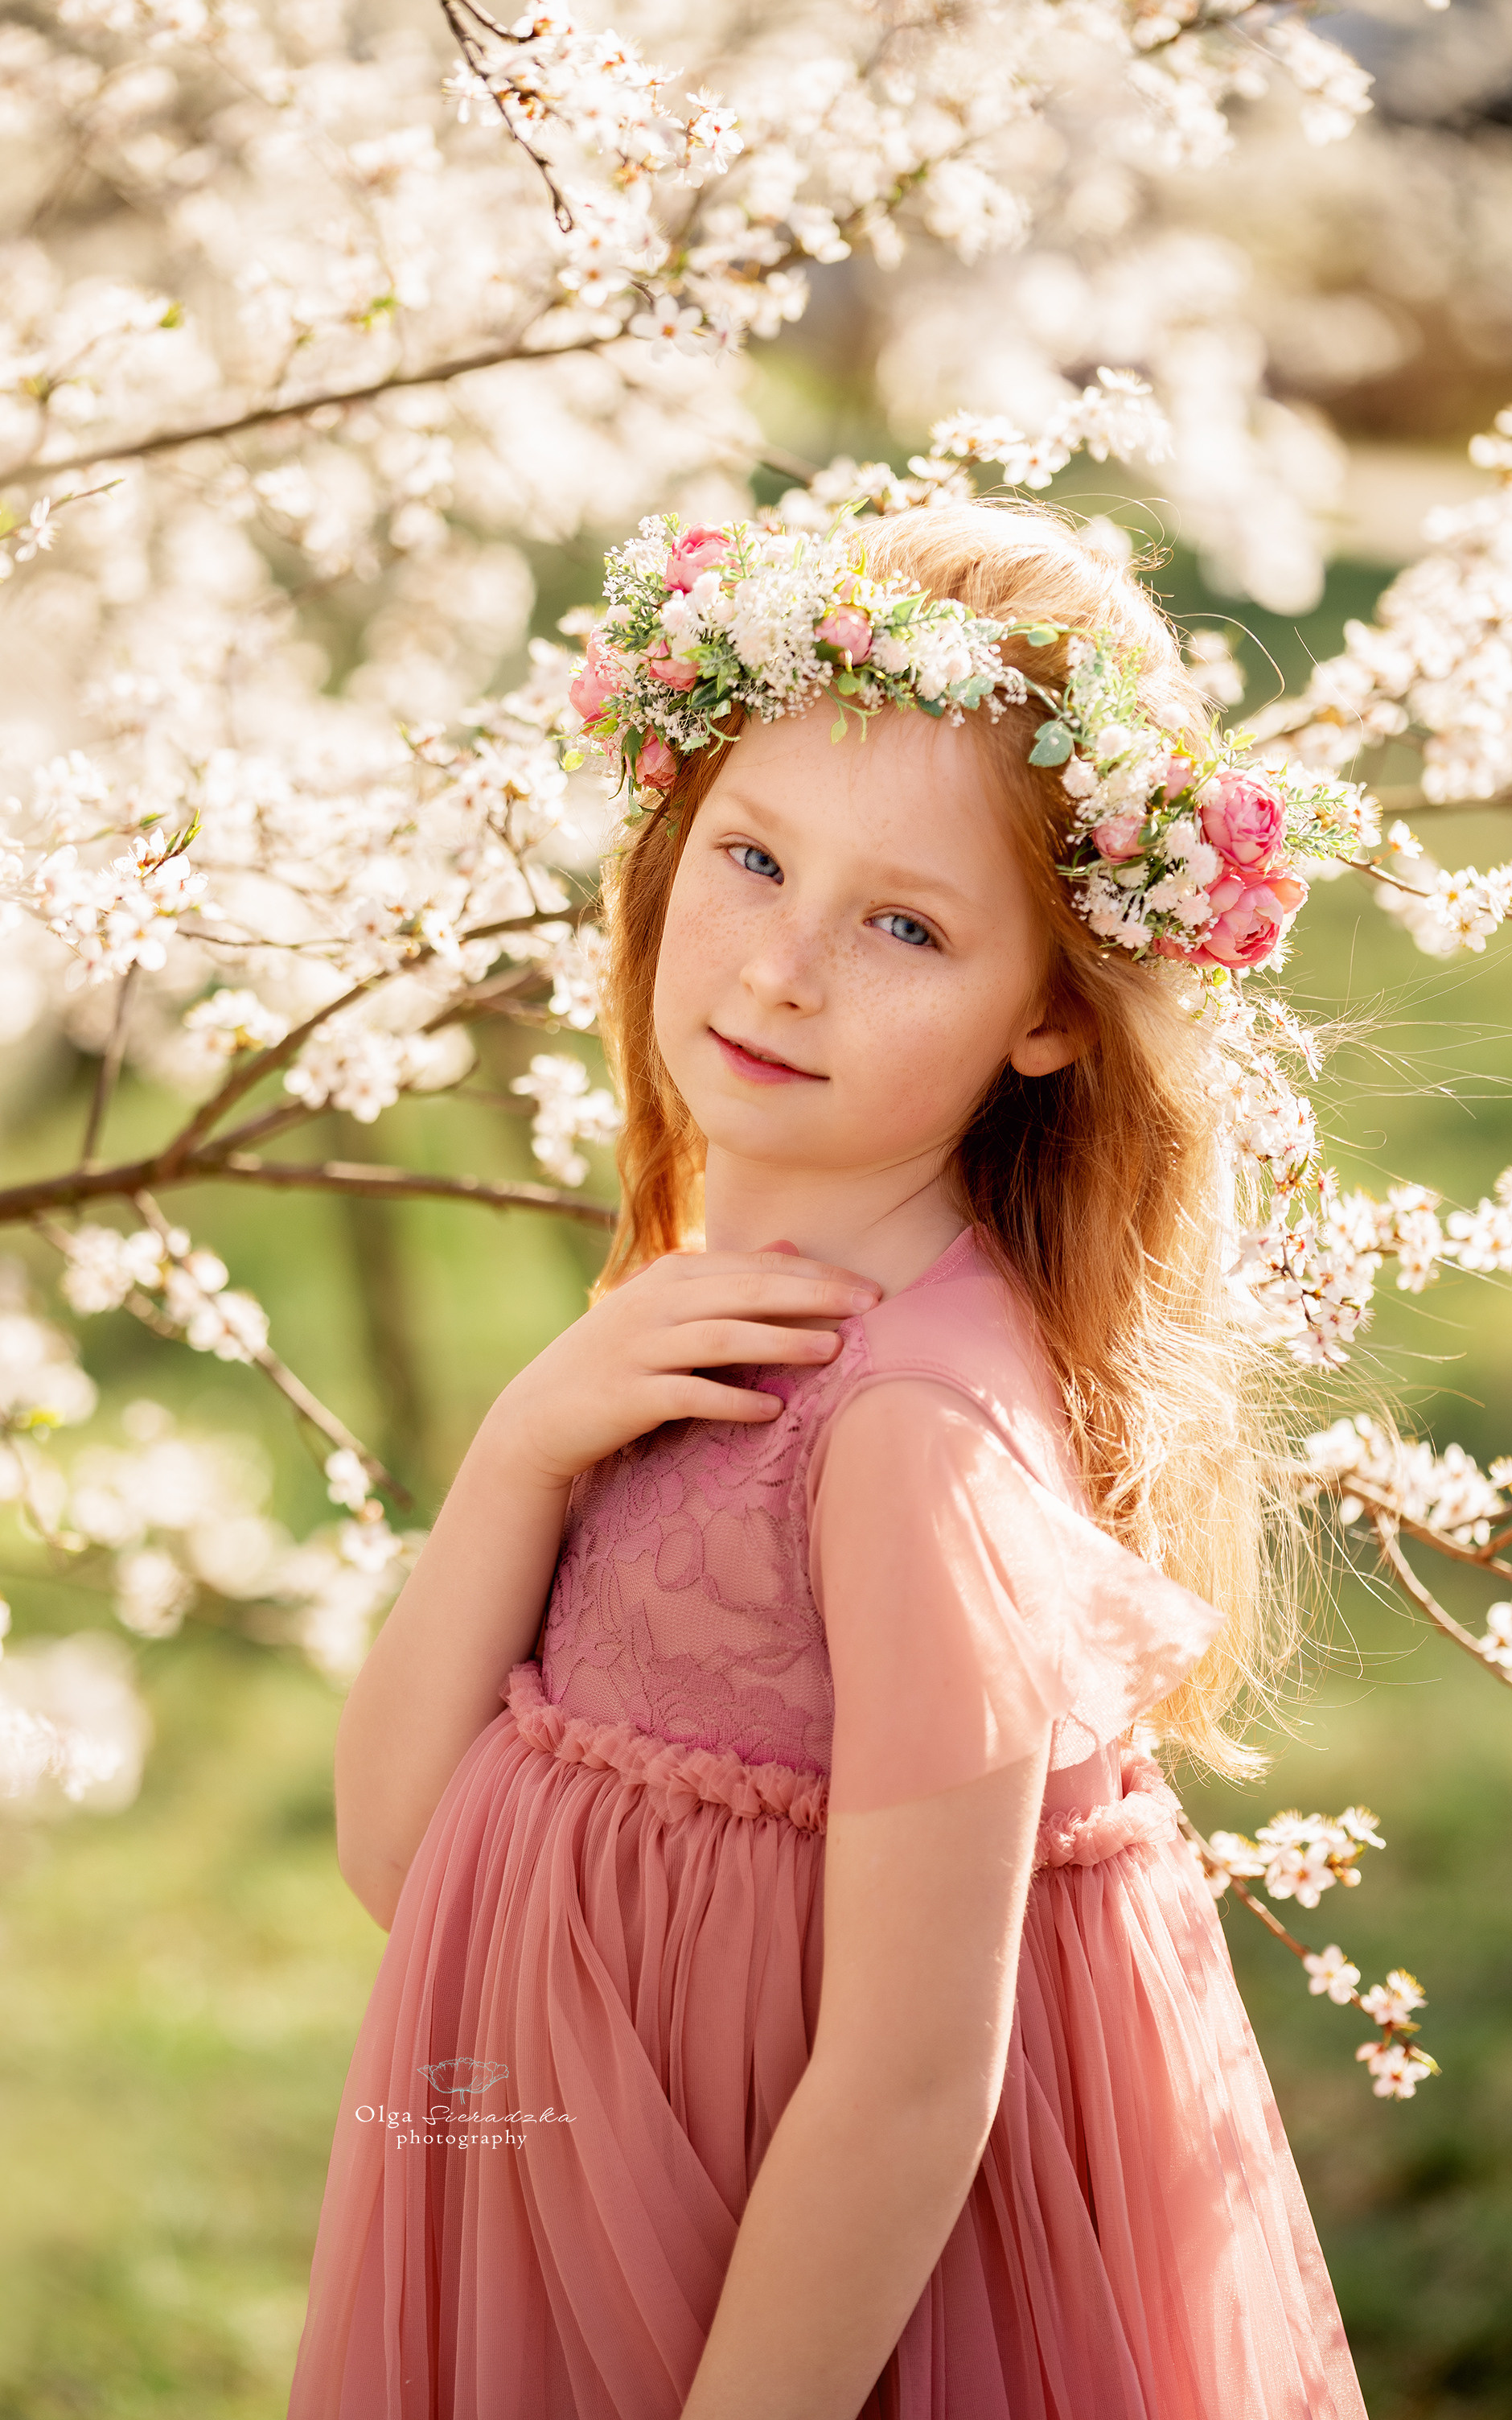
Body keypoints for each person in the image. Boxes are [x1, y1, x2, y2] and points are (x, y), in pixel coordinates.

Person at [286, 498, 1367, 2418]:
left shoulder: (905, 1436)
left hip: (770, 2319)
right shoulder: (696, 1329)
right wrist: (522, 1445)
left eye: (900, 925)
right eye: (751, 859)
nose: (779, 968)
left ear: (1044, 1010)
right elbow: (401, 1849)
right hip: (578, 2216)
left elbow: (901, 2081)